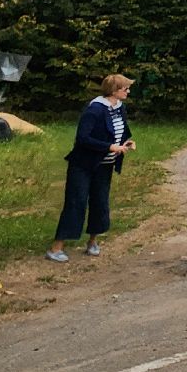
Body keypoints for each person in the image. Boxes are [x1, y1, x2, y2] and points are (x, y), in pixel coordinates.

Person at [47, 74, 137, 263]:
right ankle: (56, 248)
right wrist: (109, 147)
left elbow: (116, 132)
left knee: (100, 202)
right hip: (83, 165)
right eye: (125, 88)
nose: (128, 91)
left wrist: (125, 143)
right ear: (113, 91)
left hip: (104, 166)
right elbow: (83, 138)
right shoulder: (95, 110)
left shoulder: (120, 109)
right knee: (76, 202)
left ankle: (92, 242)